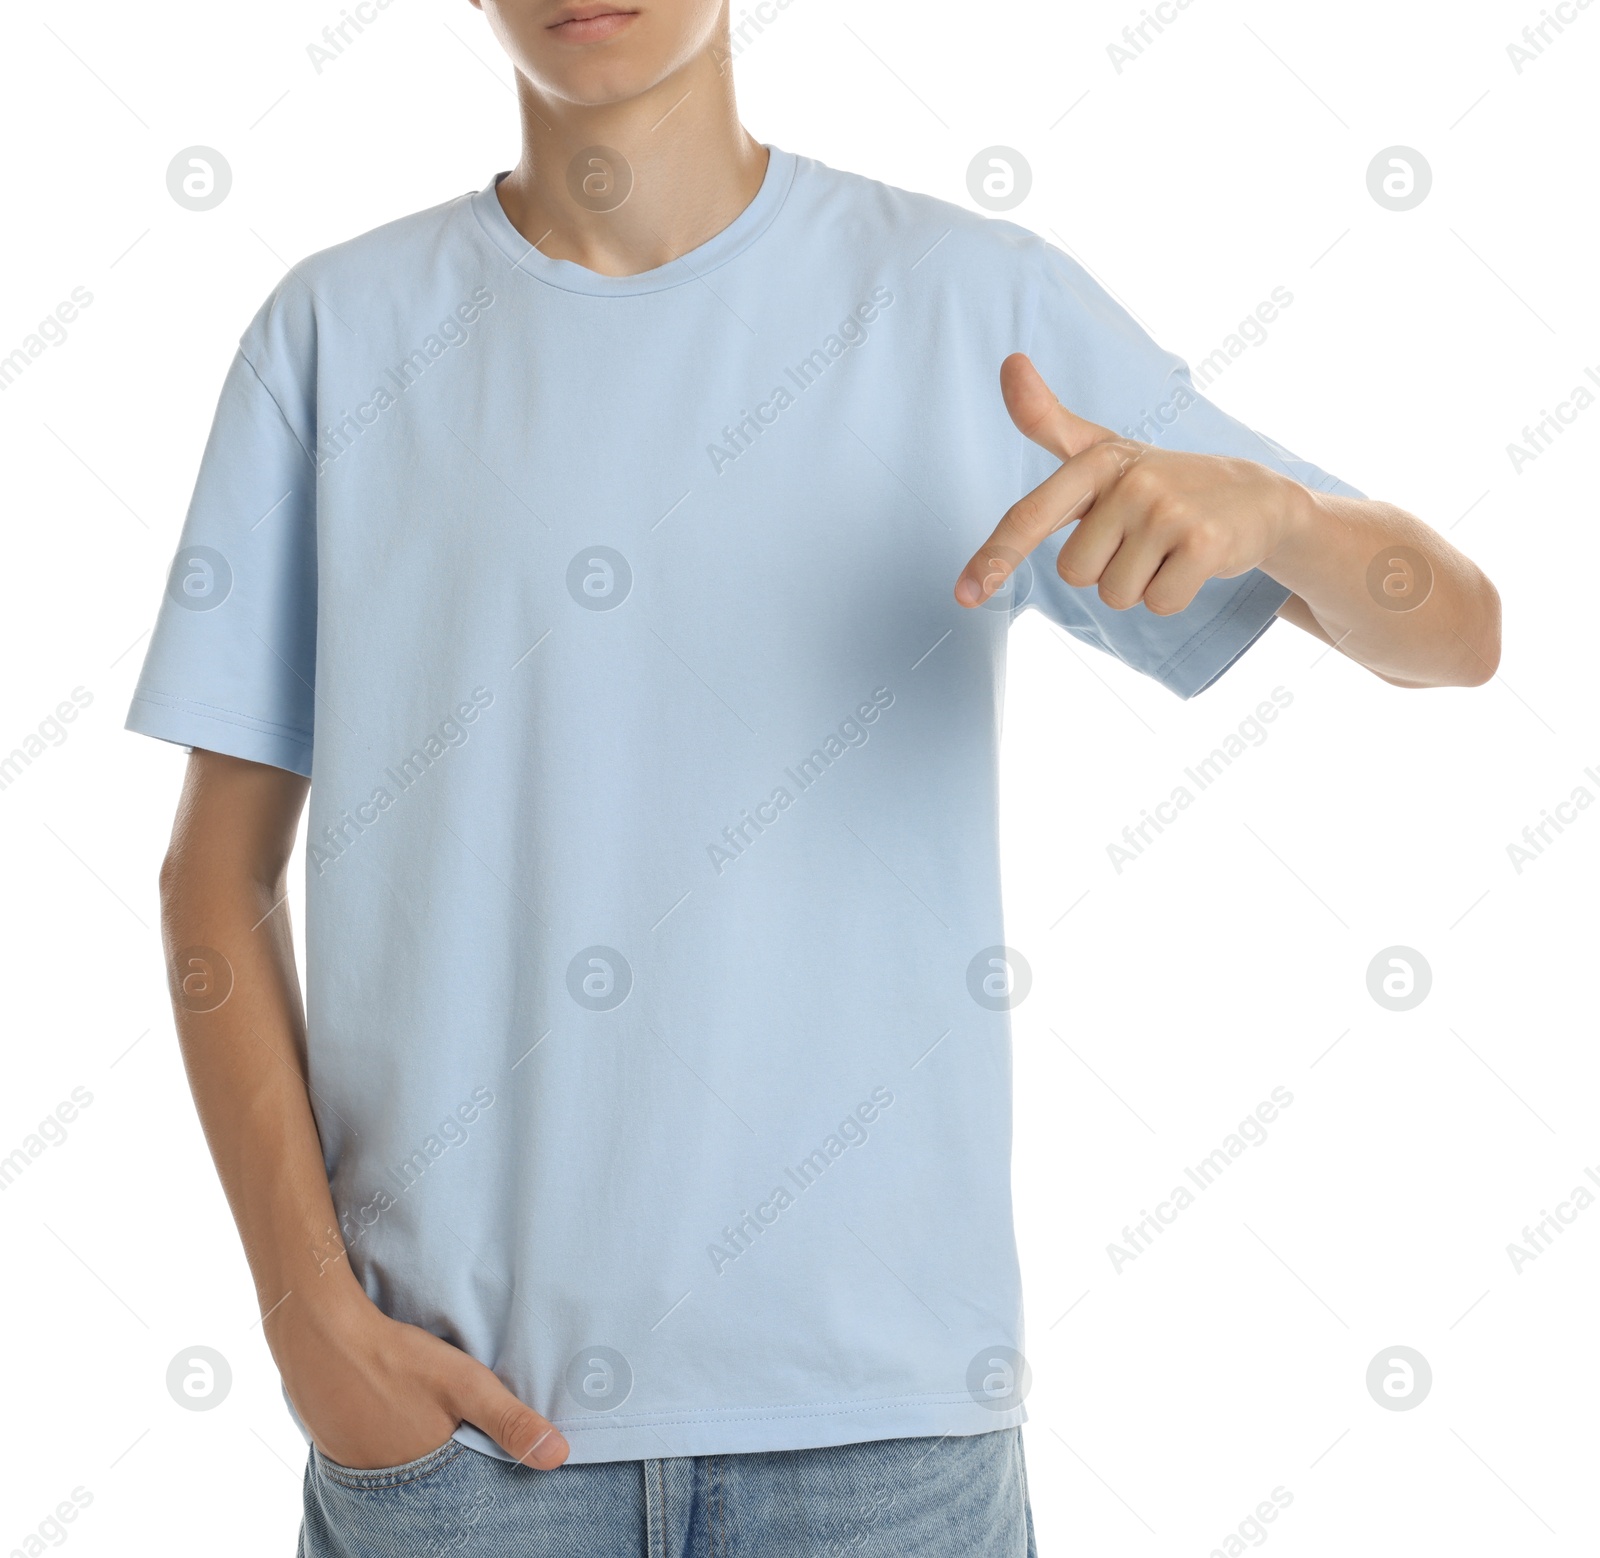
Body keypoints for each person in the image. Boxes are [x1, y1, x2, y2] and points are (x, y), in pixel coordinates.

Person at [129, 1, 1501, 1553]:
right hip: (458, 1449)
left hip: (885, 1450)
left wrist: (1283, 519)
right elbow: (212, 875)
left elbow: (1458, 638)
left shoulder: (969, 306)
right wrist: (311, 1317)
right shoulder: (337, 335)